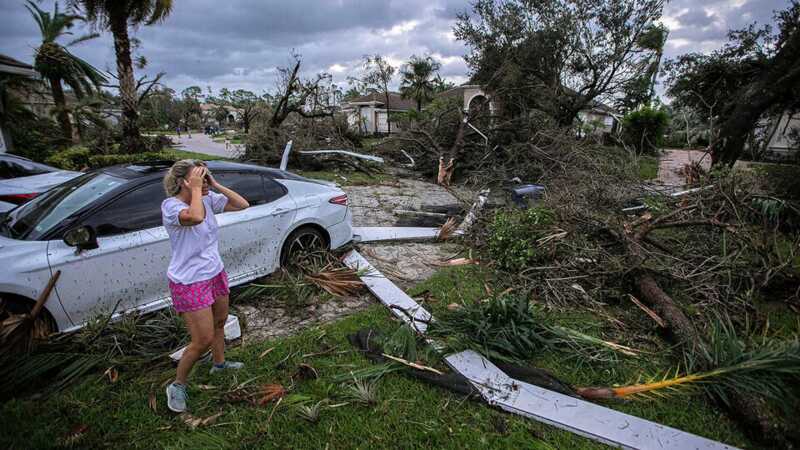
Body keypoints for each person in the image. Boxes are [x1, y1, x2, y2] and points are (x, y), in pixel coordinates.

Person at [161, 160, 250, 413]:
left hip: (214, 272)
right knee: (202, 339)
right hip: (189, 281)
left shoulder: (208, 199)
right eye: (198, 176)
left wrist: (214, 184)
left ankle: (219, 363)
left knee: (220, 322)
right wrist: (198, 190)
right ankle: (177, 385)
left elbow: (243, 204)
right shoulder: (171, 206)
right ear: (183, 183)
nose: (203, 179)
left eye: (204, 175)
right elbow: (196, 217)